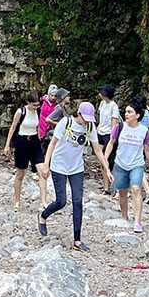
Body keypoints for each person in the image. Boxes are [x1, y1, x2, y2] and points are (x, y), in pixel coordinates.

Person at [36, 99, 109, 252]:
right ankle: (43, 216)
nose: (86, 122)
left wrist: (107, 168)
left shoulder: (89, 126)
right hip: (59, 166)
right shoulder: (65, 122)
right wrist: (46, 165)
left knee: (77, 201)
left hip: (76, 168)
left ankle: (77, 240)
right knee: (61, 201)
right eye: (84, 118)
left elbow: (97, 149)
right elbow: (53, 144)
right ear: (79, 113)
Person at [105, 101, 149, 234]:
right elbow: (111, 143)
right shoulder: (119, 127)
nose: (126, 114)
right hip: (120, 163)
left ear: (137, 115)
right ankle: (124, 216)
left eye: (129, 112)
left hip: (137, 164)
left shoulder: (144, 130)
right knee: (122, 192)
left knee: (136, 189)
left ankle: (137, 221)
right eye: (126, 112)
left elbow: (147, 149)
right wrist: (105, 160)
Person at [3, 90, 49, 212]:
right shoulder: (21, 111)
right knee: (20, 174)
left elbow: (38, 127)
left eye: (37, 105)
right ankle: (17, 201)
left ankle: (43, 201)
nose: (36, 107)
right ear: (28, 102)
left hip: (34, 142)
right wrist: (7, 145)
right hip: (22, 142)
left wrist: (40, 140)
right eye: (34, 105)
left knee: (42, 172)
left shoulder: (38, 111)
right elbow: (13, 127)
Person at [96, 84, 121, 195]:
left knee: (108, 162)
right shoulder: (102, 104)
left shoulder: (114, 106)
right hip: (100, 132)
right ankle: (106, 187)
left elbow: (114, 124)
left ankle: (114, 187)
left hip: (108, 135)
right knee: (101, 160)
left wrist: (112, 139)